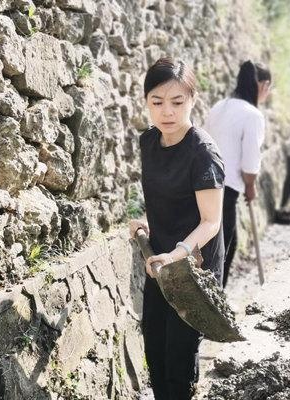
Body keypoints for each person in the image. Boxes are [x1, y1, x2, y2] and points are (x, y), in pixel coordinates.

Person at [128, 57, 225, 400]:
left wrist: (178, 253)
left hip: (193, 268)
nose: (166, 111)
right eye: (157, 102)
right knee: (154, 348)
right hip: (160, 263)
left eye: (177, 102)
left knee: (178, 355)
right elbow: (164, 197)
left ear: (193, 101)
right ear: (146, 102)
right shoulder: (148, 143)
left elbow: (211, 220)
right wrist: (148, 223)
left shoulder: (203, 153)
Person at [203, 61, 272, 288]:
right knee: (223, 249)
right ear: (263, 85)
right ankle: (214, 299)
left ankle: (212, 295)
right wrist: (250, 187)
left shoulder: (219, 106)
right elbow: (250, 162)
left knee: (215, 247)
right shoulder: (253, 115)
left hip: (202, 186)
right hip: (226, 190)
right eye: (268, 88)